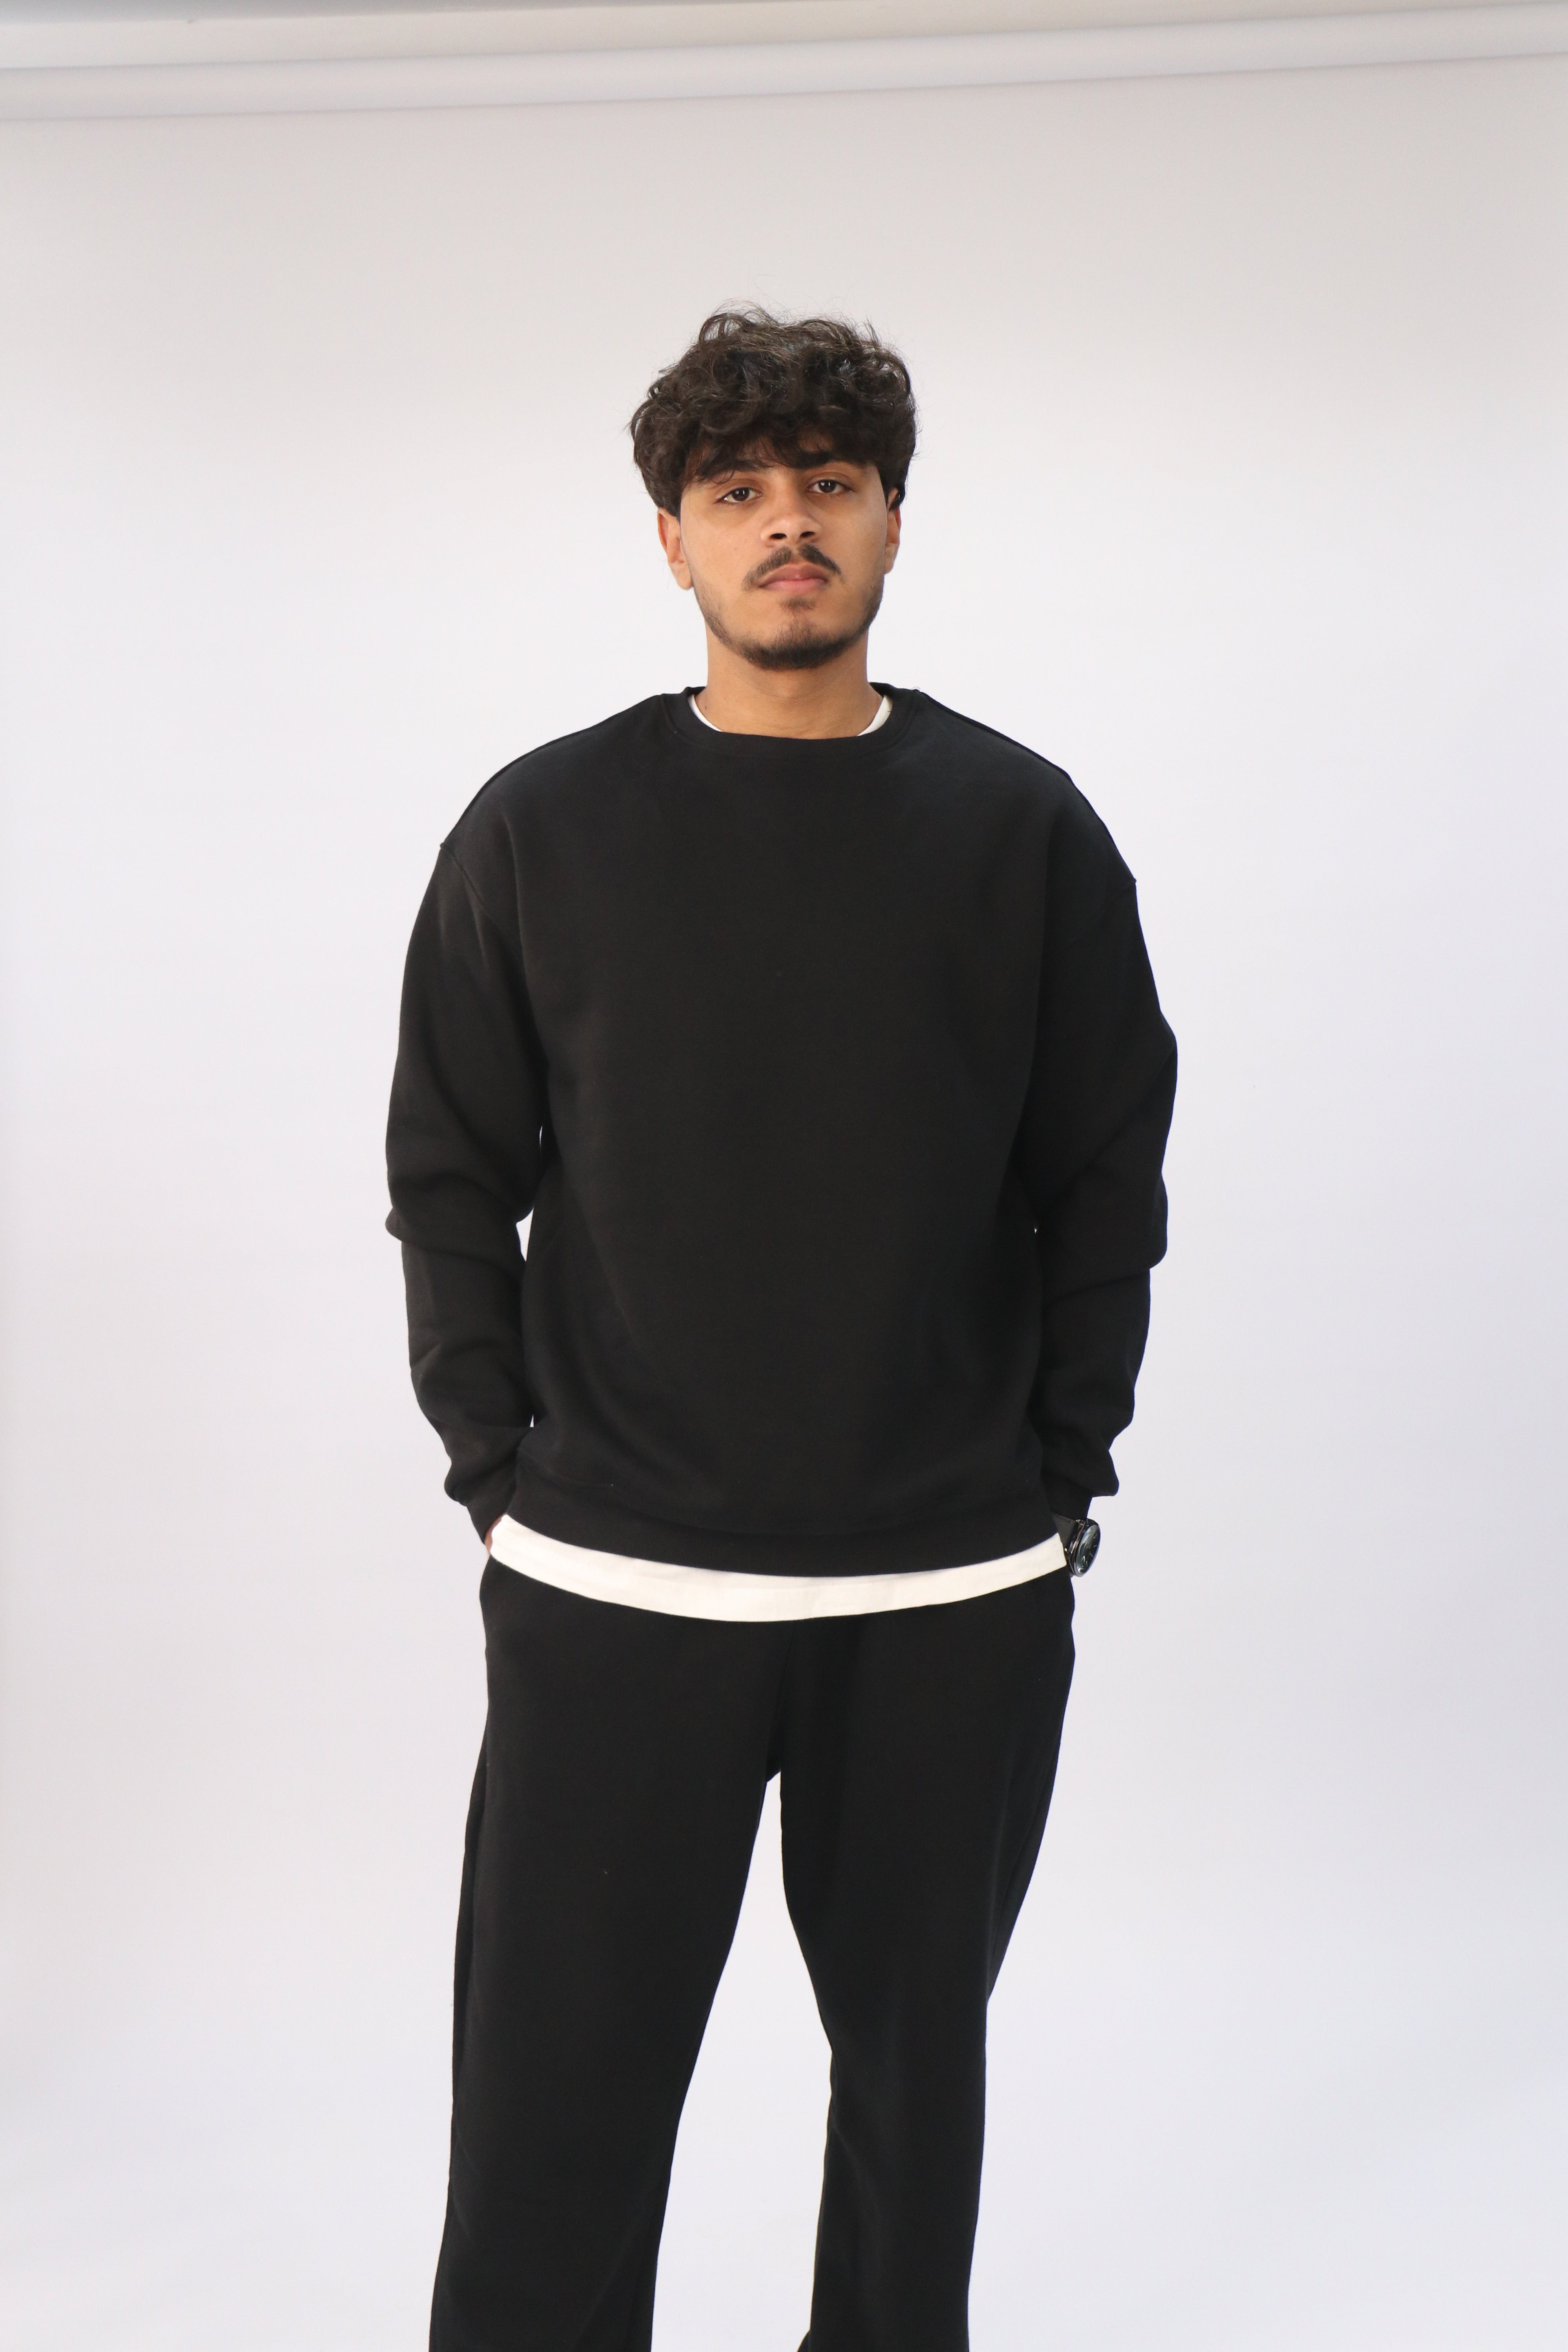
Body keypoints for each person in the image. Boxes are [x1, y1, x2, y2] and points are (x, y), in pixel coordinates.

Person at [386, 307, 1176, 2352]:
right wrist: (498, 1473)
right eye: (737, 490)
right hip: (615, 1584)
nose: (787, 524)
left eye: (829, 482)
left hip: (948, 1586)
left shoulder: (1022, 832)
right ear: (673, 538)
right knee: (552, 2120)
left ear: (893, 517)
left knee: (915, 2103)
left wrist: (1059, 1471)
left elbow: (1106, 1177)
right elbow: (452, 1169)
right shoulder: (542, 831)